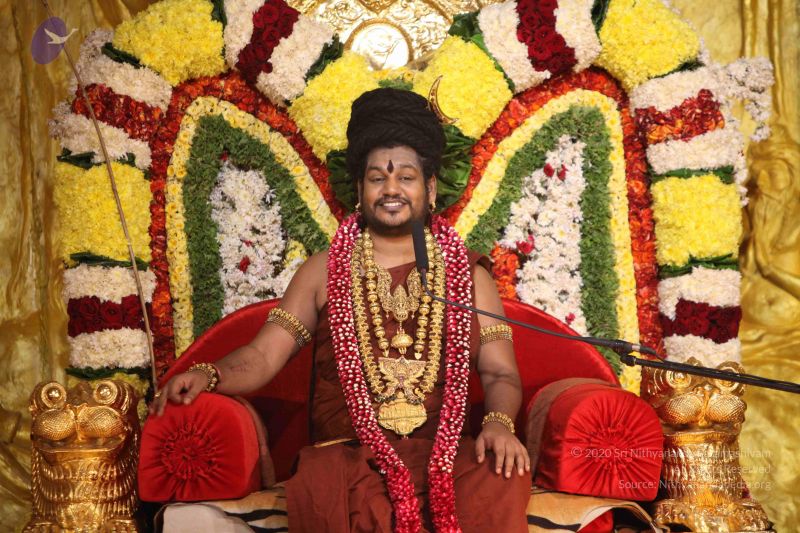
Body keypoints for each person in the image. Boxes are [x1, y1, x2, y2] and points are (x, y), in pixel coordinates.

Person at [150, 88, 532, 532]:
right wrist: (209, 374)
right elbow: (263, 356)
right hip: (349, 455)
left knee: (499, 475)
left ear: (429, 188)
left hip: (445, 456)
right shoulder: (323, 271)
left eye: (406, 177)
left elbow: (500, 373)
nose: (392, 189)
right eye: (377, 178)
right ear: (359, 189)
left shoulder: (467, 274)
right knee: (323, 480)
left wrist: (499, 424)